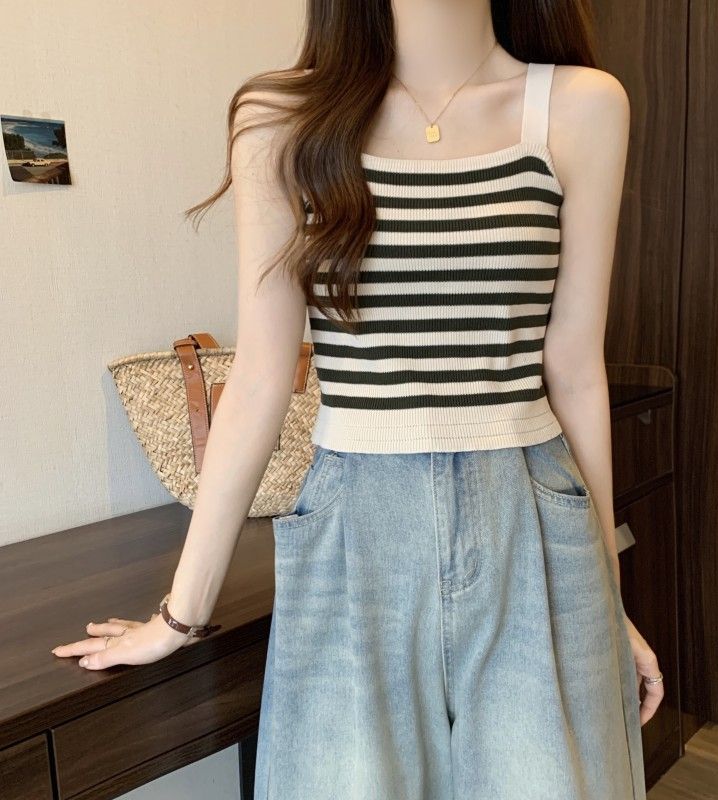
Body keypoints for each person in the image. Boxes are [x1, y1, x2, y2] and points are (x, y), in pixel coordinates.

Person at [52, 0, 664, 797]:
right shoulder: (282, 119)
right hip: (354, 527)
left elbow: (575, 367)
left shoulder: (580, 106)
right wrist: (180, 612)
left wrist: (605, 603)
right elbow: (261, 377)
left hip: (533, 518)